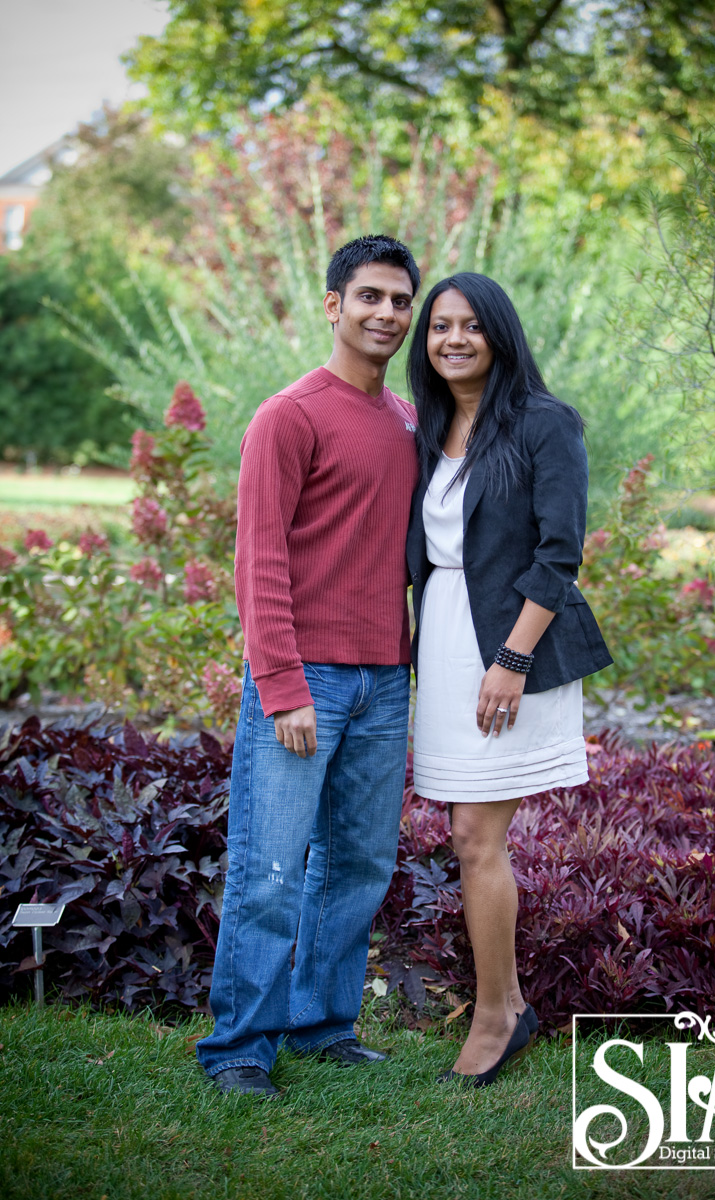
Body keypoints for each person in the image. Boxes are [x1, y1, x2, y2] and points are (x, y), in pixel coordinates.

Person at [197, 235, 421, 1098]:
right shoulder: (288, 416)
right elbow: (260, 564)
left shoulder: (405, 419)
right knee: (270, 868)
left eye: (400, 301)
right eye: (369, 297)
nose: (387, 315)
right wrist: (284, 687)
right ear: (333, 305)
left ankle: (324, 1024)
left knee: (359, 864)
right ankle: (241, 1049)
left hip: (383, 679)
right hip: (306, 681)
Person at [406, 272, 612, 1087]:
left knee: (472, 838)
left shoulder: (543, 423)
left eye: (469, 326)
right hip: (448, 640)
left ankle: (499, 1014)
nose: (452, 339)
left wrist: (513, 661)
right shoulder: (427, 427)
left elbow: (559, 551)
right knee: (466, 837)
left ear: (499, 332)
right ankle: (509, 1003)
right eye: (438, 327)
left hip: (511, 649)